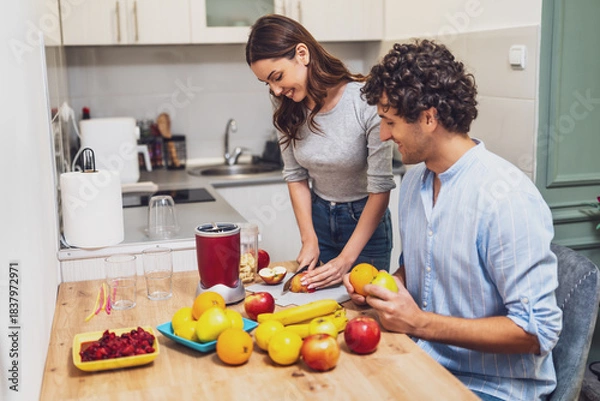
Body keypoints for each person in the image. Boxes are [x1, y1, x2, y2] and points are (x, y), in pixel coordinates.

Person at [343, 39, 563, 401]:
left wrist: (419, 323)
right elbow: (420, 270)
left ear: (429, 118)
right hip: (422, 362)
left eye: (390, 122)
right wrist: (386, 290)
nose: (383, 135)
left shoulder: (506, 199)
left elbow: (537, 330)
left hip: (491, 389)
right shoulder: (415, 180)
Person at [245, 14, 396, 289]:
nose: (276, 90)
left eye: (277, 77)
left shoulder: (364, 101)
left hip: (365, 224)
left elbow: (380, 189)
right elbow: (295, 176)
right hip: (319, 220)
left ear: (302, 53)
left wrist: (346, 259)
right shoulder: (286, 109)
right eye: (267, 83)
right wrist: (309, 239)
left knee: (364, 311)